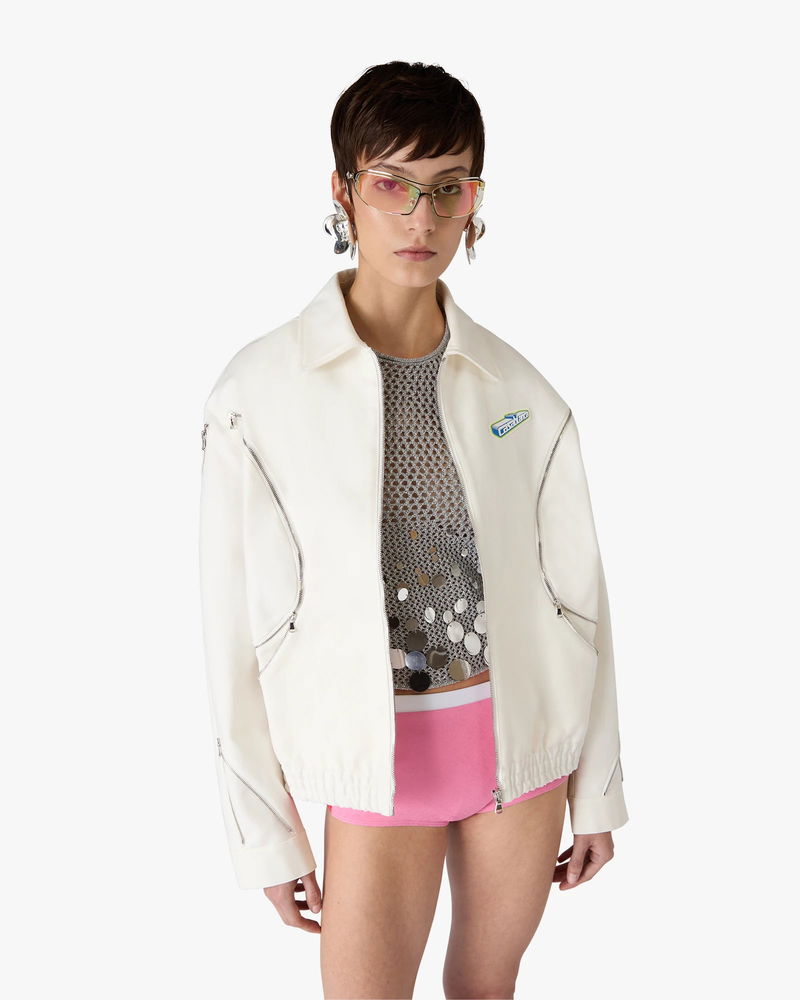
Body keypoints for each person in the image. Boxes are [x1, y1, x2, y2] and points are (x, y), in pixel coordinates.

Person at [198, 60, 629, 999]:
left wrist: (597, 785)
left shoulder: (523, 393)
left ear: (475, 200)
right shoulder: (257, 395)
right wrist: (265, 832)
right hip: (374, 761)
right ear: (343, 190)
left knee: (486, 989)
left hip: (520, 753)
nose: (421, 218)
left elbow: (579, 603)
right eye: (392, 185)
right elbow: (230, 626)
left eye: (448, 188)